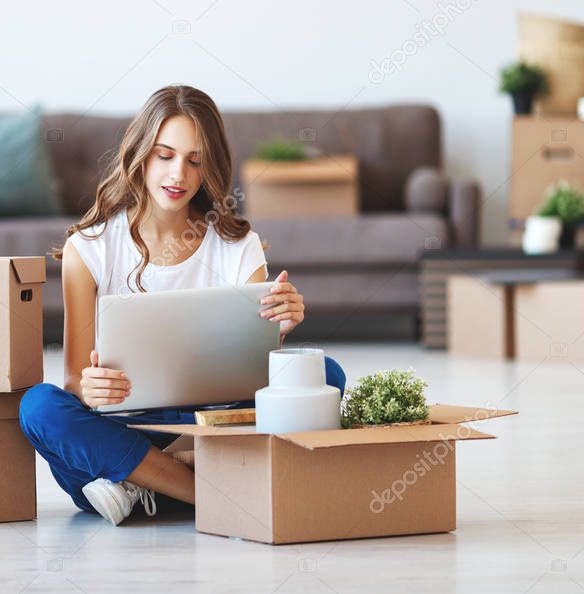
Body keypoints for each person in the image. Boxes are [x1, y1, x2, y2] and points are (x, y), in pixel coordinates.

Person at [18, 85, 346, 525]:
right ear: (140, 154)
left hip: (209, 421)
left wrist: (278, 326)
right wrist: (88, 387)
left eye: (195, 160)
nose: (179, 175)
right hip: (125, 427)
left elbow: (255, 371)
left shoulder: (237, 246)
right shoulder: (90, 248)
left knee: (324, 374)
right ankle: (216, 492)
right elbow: (76, 379)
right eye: (164, 155)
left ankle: (140, 485)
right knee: (39, 407)